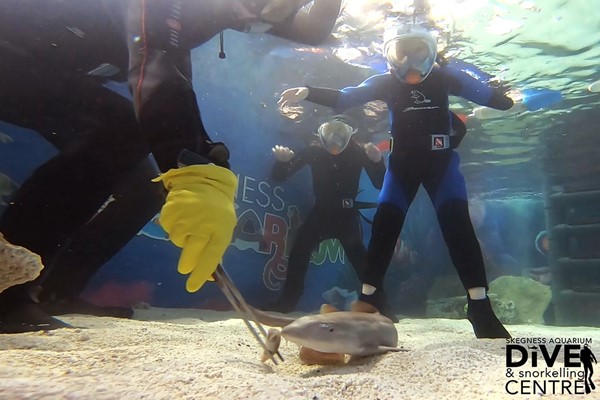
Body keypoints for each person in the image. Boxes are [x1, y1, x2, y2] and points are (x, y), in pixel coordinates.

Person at [0, 0, 342, 333]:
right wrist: (195, 166)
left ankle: (56, 292)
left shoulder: (242, 8)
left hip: (42, 69)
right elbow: (157, 64)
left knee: (147, 187)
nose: (265, 14)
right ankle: (5, 291)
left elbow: (310, 29)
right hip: (12, 54)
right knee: (123, 130)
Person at [278, 25, 513, 338]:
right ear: (391, 57)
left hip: (440, 167)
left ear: (432, 55)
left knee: (459, 229)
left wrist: (505, 96)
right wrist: (308, 92)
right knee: (384, 230)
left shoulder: (446, 77)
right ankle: (369, 298)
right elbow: (347, 98)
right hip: (402, 168)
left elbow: (494, 99)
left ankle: (480, 308)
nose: (411, 66)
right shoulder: (386, 82)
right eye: (401, 56)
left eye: (420, 55)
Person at [269, 117, 385, 312]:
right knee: (299, 252)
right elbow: (279, 176)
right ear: (320, 132)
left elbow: (380, 183)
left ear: (350, 132)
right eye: (329, 130)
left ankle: (381, 305)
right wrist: (282, 163)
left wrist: (377, 162)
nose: (334, 136)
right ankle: (287, 301)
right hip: (321, 213)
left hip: (346, 216)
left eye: (340, 130)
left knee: (361, 262)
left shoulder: (358, 153)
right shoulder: (313, 152)